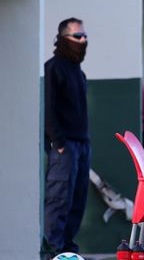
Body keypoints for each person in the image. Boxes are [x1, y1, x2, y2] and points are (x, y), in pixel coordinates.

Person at [43, 17, 90, 259]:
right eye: (77, 36)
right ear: (63, 39)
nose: (83, 40)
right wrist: (58, 143)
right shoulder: (53, 67)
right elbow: (48, 108)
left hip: (82, 144)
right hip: (64, 146)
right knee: (58, 200)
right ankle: (52, 252)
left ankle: (68, 252)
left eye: (84, 36)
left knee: (77, 201)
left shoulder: (77, 70)